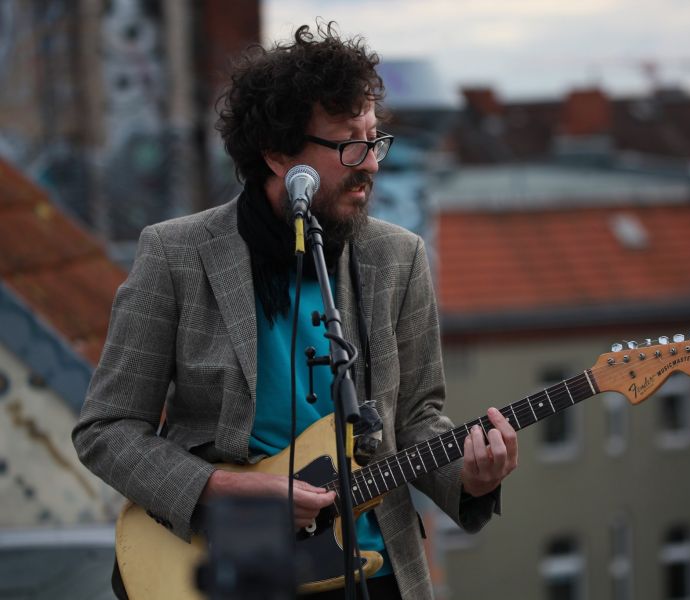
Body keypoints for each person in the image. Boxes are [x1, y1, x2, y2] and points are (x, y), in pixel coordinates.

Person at [73, 22, 518, 600]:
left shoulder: (398, 258)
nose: (371, 164)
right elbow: (107, 430)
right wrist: (223, 489)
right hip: (231, 567)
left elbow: (415, 420)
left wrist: (470, 477)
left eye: (375, 140)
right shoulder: (176, 255)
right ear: (280, 155)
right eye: (349, 145)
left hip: (375, 572)